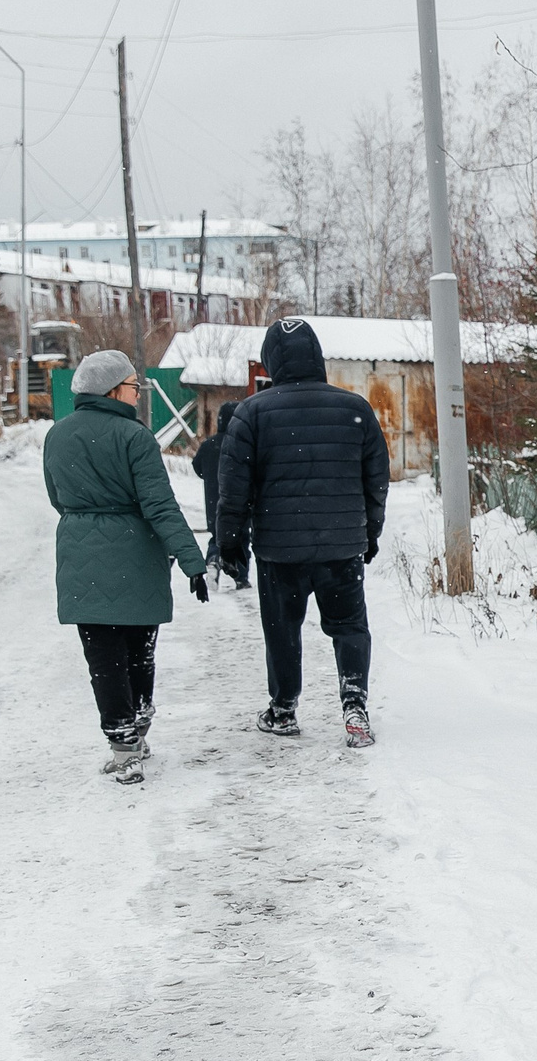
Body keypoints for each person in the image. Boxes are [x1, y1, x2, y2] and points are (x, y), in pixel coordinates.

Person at [215, 318, 388, 748]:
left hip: (279, 549)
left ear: (272, 360)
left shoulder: (251, 413)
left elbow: (233, 489)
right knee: (349, 626)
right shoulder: (355, 409)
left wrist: (229, 543)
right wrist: (369, 533)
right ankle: (354, 704)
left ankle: (283, 709)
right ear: (317, 356)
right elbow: (376, 480)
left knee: (282, 629)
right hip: (341, 545)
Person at [43, 349, 210, 783]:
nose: (138, 392)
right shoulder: (135, 438)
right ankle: (137, 729)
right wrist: (192, 561)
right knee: (139, 653)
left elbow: (57, 498)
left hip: (81, 557)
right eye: (134, 385)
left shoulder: (57, 435)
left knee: (103, 659)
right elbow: (159, 505)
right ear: (112, 389)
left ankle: (123, 746)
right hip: (137, 556)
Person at [191, 401, 248, 586]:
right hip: (239, 501)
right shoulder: (241, 445)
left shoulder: (209, 445)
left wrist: (210, 477)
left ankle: (213, 560)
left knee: (217, 536)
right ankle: (240, 577)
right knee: (241, 538)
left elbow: (197, 467)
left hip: (213, 499)